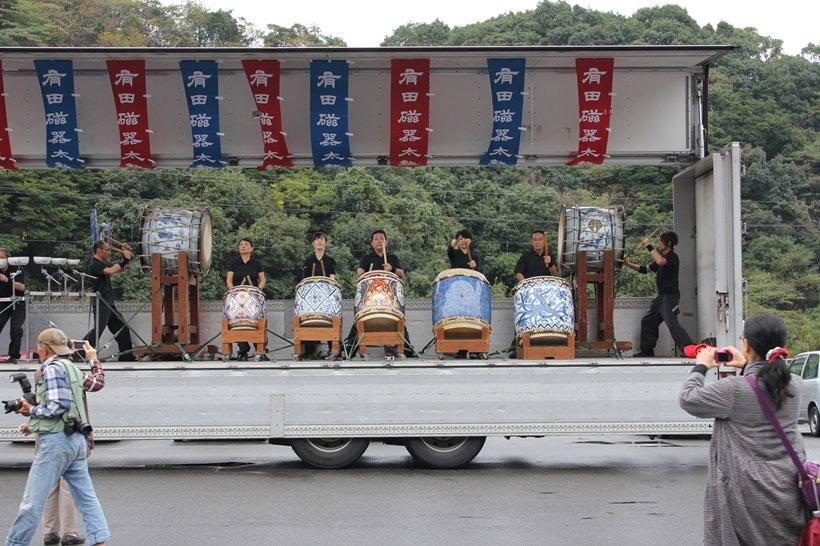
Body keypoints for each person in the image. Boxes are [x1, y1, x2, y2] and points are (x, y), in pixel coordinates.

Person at [679, 313, 807, 545]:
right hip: (788, 488)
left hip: (747, 493)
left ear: (746, 344)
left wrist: (701, 366)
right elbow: (765, 383)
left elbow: (689, 399)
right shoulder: (795, 384)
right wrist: (748, 364)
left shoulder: (734, 390)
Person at [5, 328, 111, 546]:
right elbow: (96, 384)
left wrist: (30, 411)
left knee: (32, 502)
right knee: (87, 499)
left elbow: (58, 406)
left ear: (44, 349)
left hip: (56, 442)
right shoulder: (72, 368)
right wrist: (94, 360)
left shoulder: (51, 369)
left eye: (39, 347)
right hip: (76, 442)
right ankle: (99, 541)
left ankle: (14, 544)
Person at [41, 340, 106, 546]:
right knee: (70, 485)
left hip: (46, 435)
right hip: (70, 435)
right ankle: (69, 531)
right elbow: (98, 383)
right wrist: (93, 359)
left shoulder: (42, 371)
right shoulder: (74, 372)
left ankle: (50, 531)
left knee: (49, 484)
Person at [623, 231, 693, 357]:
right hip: (661, 297)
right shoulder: (661, 259)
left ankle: (691, 350)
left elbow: (661, 262)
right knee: (648, 321)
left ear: (669, 243)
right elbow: (645, 270)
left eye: (661, 241)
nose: (659, 243)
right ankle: (647, 351)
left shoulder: (672, 257)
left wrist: (649, 246)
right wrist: (628, 264)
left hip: (670, 296)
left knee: (672, 324)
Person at [347, 230, 414, 358]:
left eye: (381, 239)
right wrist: (362, 271)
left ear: (386, 242)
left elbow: (401, 274)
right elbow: (360, 272)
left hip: (388, 298)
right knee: (359, 321)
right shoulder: (367, 257)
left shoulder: (392, 257)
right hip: (370, 298)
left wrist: (392, 269)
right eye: (376, 239)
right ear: (372, 243)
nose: (379, 241)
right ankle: (348, 352)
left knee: (397, 320)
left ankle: (408, 351)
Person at [82, 241, 136, 361]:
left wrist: (125, 257)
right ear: (99, 250)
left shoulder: (102, 263)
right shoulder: (95, 265)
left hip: (108, 302)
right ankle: (78, 353)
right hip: (101, 302)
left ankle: (126, 356)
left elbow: (119, 269)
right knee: (97, 331)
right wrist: (125, 259)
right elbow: (111, 271)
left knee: (122, 328)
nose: (108, 252)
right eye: (106, 250)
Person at [226, 238, 267, 361]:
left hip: (253, 297)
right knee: (239, 322)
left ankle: (260, 350)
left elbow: (262, 280)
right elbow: (229, 280)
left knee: (257, 322)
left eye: (246, 244)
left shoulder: (256, 263)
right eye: (241, 244)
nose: (243, 246)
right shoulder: (234, 263)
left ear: (251, 248)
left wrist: (258, 290)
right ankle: (243, 351)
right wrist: (233, 291)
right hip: (238, 297)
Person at [300, 231, 337, 359]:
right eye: (316, 240)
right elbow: (305, 281)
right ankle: (309, 351)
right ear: (313, 243)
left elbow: (332, 278)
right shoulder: (308, 261)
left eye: (321, 239)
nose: (319, 241)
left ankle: (333, 349)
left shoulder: (330, 260)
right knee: (308, 319)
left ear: (325, 242)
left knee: (330, 319)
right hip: (311, 297)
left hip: (326, 295)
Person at [0, 248, 26, 364]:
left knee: (15, 328)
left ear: (7, 259)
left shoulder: (16, 268)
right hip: (2, 302)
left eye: (1, 258)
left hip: (17, 301)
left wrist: (7, 280)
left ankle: (14, 355)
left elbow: (22, 287)